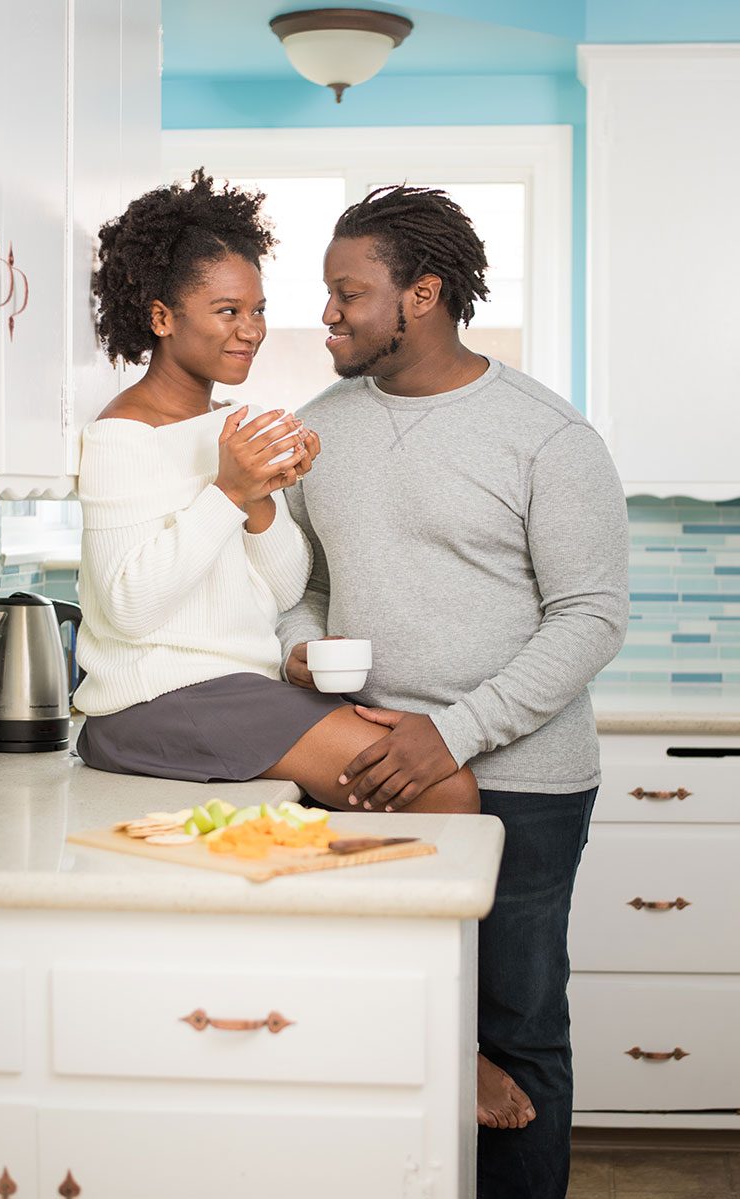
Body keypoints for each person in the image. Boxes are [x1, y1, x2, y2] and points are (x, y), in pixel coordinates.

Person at [276, 184, 629, 1199]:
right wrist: (304, 654)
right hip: (357, 767)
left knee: (512, 1024)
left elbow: (589, 617)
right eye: (328, 293)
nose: (328, 314)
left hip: (522, 778)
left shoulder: (545, 437)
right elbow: (296, 590)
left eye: (349, 293)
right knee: (369, 1007)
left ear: (421, 294)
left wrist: (455, 732)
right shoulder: (314, 431)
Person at [73, 169, 479, 821]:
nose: (250, 330)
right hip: (156, 702)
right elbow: (129, 606)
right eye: (228, 311)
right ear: (162, 317)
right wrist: (230, 490)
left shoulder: (230, 425)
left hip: (237, 691)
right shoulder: (121, 436)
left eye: (257, 310)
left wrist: (262, 495)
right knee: (440, 790)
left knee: (429, 774)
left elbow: (284, 589)